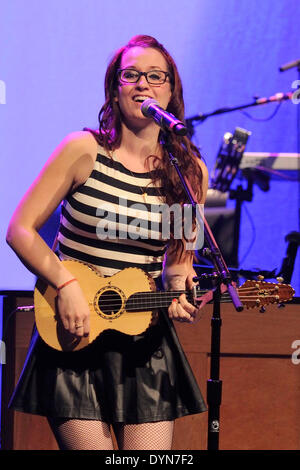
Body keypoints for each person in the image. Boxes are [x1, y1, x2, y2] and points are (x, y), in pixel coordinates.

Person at [6, 34, 209, 450]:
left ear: (171, 91)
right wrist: (65, 284)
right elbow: (20, 230)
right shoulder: (83, 150)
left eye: (156, 76)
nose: (143, 84)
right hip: (74, 336)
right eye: (131, 75)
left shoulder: (189, 172)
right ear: (114, 90)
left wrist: (181, 292)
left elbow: (178, 266)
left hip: (146, 344)